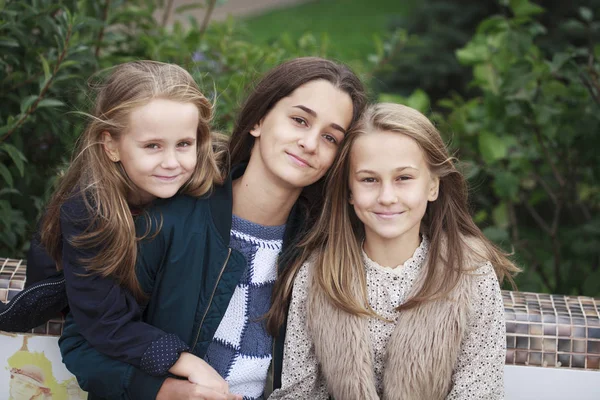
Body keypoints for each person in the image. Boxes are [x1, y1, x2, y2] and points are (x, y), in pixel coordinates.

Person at [58, 57, 367, 400]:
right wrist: (168, 391)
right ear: (259, 120)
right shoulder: (164, 220)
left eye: (330, 137)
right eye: (299, 120)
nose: (310, 143)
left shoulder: (320, 252)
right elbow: (84, 342)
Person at [1, 60, 232, 392]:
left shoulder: (202, 174)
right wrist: (183, 360)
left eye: (184, 144)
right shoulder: (87, 209)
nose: (171, 162)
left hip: (144, 287)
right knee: (25, 313)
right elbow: (105, 322)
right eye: (152, 146)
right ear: (111, 146)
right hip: (73, 284)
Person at [267, 103, 520, 400]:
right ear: (349, 191)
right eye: (369, 180)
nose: (387, 197)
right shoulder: (317, 275)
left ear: (433, 186)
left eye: (404, 178)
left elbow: (480, 392)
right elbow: (299, 393)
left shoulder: (470, 272)